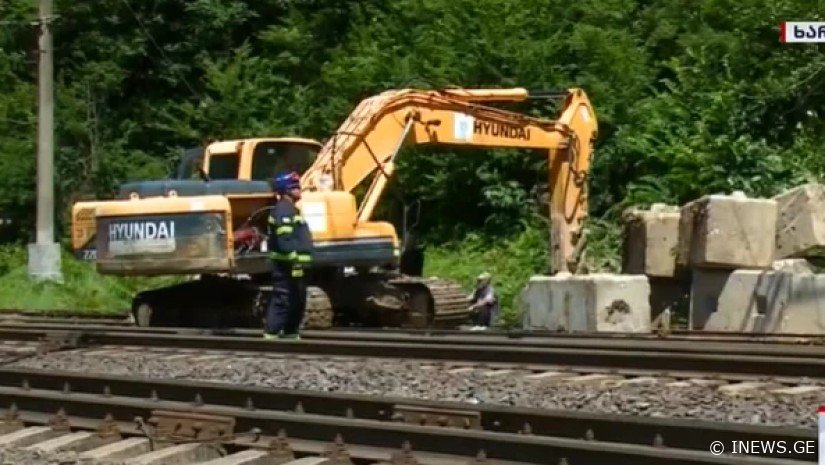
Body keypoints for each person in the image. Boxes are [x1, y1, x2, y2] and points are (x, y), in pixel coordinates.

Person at [264, 171, 313, 340]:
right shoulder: (284, 210)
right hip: (287, 265)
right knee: (284, 299)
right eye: (294, 187)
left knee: (297, 300)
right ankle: (271, 335)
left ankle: (291, 333)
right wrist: (294, 259)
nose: (299, 189)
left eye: (298, 186)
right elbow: (285, 238)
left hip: (295, 264)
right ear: (285, 190)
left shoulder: (292, 209)